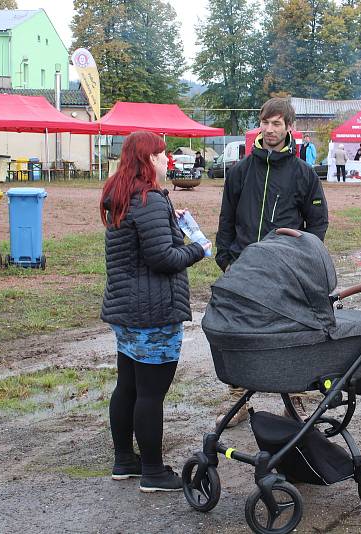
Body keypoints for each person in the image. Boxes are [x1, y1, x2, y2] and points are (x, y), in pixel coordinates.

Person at [100, 131, 211, 492]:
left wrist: (169, 222)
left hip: (126, 310)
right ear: (147, 160)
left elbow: (144, 244)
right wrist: (197, 249)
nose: (167, 162)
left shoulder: (121, 195)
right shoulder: (147, 200)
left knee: (128, 386)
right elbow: (163, 258)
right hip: (152, 312)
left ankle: (124, 461)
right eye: (162, 156)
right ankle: (153, 471)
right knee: (150, 394)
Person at [215, 97, 329, 427]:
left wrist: (301, 258)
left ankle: (294, 402)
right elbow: (227, 219)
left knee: (289, 336)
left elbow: (317, 222)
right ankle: (238, 400)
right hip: (244, 270)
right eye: (264, 123)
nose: (269, 129)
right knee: (238, 334)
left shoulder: (303, 173)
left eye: (276, 123)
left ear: (289, 127)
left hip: (285, 271)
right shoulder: (240, 171)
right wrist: (226, 259)